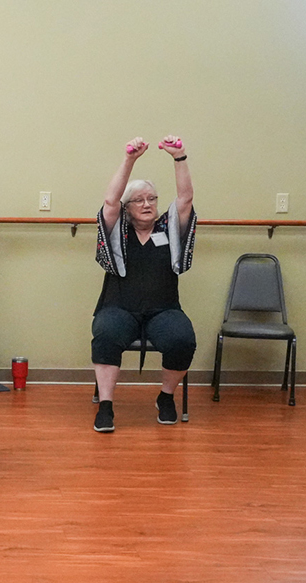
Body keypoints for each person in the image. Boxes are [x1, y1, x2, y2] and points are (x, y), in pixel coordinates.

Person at [91, 136, 197, 432]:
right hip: (118, 307)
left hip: (163, 310)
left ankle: (165, 397)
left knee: (182, 340)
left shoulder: (169, 229)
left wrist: (180, 158)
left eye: (152, 198)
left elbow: (185, 199)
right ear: (127, 208)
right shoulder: (117, 231)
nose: (147, 204)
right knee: (106, 333)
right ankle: (106, 406)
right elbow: (110, 201)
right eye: (138, 200)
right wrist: (129, 159)